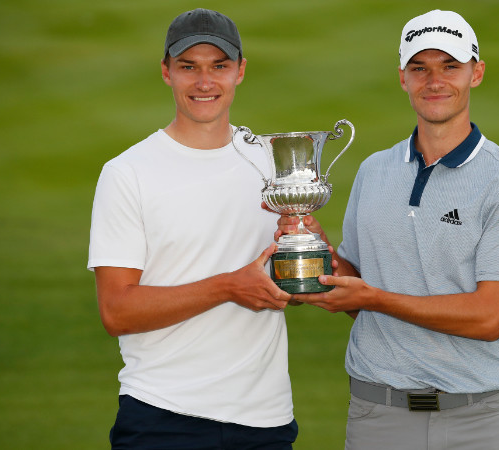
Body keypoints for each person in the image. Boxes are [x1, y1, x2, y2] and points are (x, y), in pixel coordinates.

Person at [276, 9, 499, 450]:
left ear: (476, 73)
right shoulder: (373, 170)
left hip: (478, 420)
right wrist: (316, 245)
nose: (434, 81)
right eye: (420, 68)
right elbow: (355, 284)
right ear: (403, 77)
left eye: (450, 67)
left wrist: (374, 298)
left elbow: (488, 317)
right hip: (377, 415)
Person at [87, 8, 298, 449]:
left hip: (265, 419)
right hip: (162, 416)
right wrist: (227, 287)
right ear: (167, 72)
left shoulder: (271, 162)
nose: (205, 82)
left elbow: (293, 285)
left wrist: (303, 246)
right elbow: (117, 311)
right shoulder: (127, 173)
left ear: (240, 71)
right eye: (189, 67)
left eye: (219, 66)